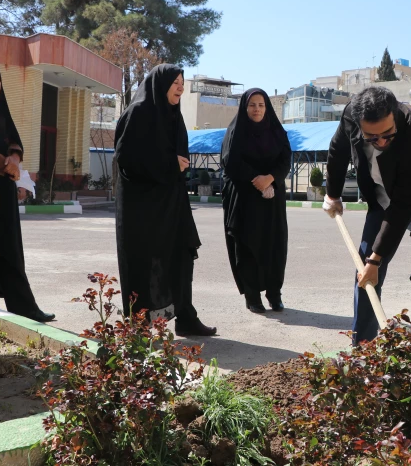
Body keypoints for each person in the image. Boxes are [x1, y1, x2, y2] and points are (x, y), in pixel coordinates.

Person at [323, 86, 411, 346]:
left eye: (387, 135)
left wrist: (377, 259)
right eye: (372, 138)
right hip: (383, 194)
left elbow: (403, 205)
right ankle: (362, 346)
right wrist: (332, 195)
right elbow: (337, 152)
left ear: (395, 116)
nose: (382, 143)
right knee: (364, 269)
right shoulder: (350, 116)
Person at [113, 64, 216, 337]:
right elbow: (127, 159)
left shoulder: (173, 115)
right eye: (175, 82)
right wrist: (170, 163)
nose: (181, 87)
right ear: (160, 85)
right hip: (143, 207)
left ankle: (185, 316)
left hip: (172, 202)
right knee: (145, 263)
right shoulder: (139, 113)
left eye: (183, 82)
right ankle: (140, 323)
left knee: (182, 254)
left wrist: (175, 165)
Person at [0, 59, 54, 323]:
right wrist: (4, 164)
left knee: (9, 246)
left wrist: (14, 159)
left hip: (4, 187)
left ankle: (24, 307)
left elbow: (13, 139)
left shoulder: (1, 110)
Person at [220, 88, 291, 313]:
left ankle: (274, 293)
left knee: (274, 245)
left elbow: (285, 159)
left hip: (272, 198)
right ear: (244, 107)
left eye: (261, 105)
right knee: (248, 245)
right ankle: (253, 296)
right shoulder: (236, 131)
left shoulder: (277, 132)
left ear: (267, 107)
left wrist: (271, 179)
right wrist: (256, 180)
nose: (257, 109)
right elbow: (230, 162)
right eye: (252, 105)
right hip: (244, 198)